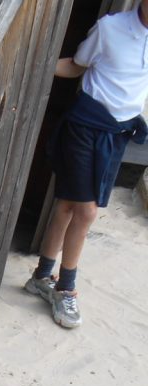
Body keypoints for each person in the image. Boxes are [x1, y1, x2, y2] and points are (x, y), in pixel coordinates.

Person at [24, 0, 148, 329]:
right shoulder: (109, 28)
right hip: (85, 127)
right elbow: (77, 65)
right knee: (87, 211)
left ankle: (41, 276)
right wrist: (33, 63)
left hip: (117, 135)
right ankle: (65, 287)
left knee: (67, 205)